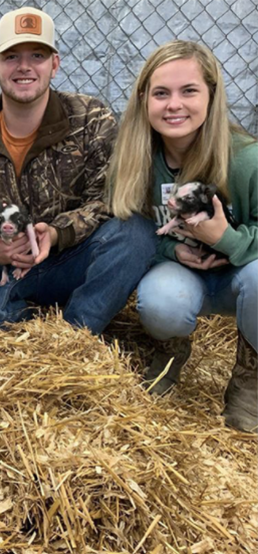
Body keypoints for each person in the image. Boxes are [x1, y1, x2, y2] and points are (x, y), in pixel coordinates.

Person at [0, 7, 157, 335]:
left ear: (55, 63)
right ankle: (37, 332)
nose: (24, 67)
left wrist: (56, 233)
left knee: (136, 233)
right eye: (11, 56)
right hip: (3, 273)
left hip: (70, 259)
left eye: (37, 55)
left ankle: (74, 338)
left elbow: (110, 199)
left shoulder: (91, 119)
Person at [108, 40, 257, 433]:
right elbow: (134, 231)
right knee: (160, 302)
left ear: (212, 94)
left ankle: (250, 377)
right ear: (144, 100)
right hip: (184, 273)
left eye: (189, 91)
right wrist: (173, 250)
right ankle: (171, 349)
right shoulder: (136, 159)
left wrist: (226, 238)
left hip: (241, 275)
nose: (174, 104)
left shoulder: (245, 160)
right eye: (161, 93)